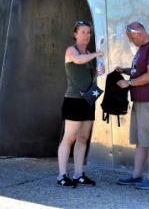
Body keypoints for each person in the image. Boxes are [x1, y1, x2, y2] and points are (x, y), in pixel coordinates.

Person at [115, 21, 149, 190]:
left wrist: (129, 82)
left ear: (139, 33)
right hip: (139, 101)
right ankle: (136, 176)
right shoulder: (143, 48)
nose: (131, 41)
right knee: (140, 141)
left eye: (131, 38)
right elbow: (140, 70)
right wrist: (125, 70)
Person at [56, 19, 105, 187]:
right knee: (68, 138)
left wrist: (98, 73)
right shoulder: (72, 50)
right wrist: (97, 54)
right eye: (83, 32)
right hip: (73, 101)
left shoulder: (89, 54)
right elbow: (77, 60)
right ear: (75, 34)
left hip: (87, 100)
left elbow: (88, 78)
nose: (86, 35)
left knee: (83, 138)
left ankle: (79, 174)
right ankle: (62, 175)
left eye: (88, 32)